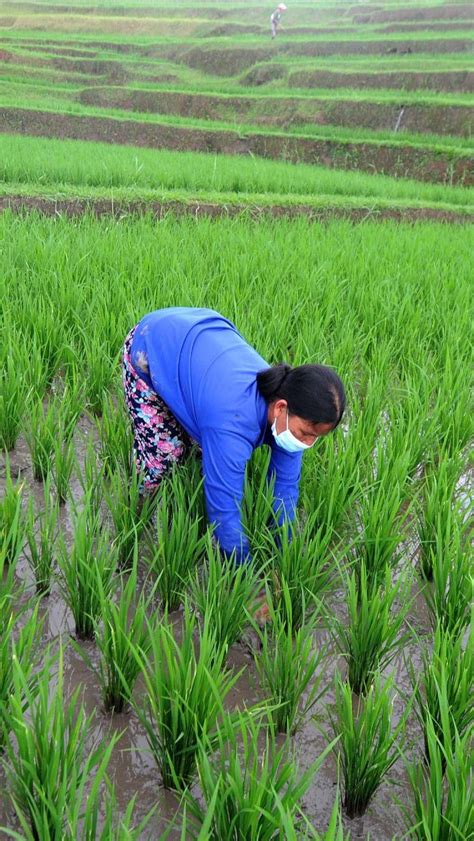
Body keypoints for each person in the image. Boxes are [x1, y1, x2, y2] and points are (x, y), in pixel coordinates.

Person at [122, 307, 345, 568]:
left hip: (203, 345)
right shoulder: (233, 421)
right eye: (306, 434)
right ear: (282, 407)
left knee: (203, 443)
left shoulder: (290, 412)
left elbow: (285, 490)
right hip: (153, 345)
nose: (306, 443)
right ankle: (137, 510)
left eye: (315, 438)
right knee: (165, 456)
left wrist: (284, 555)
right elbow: (223, 511)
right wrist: (246, 578)